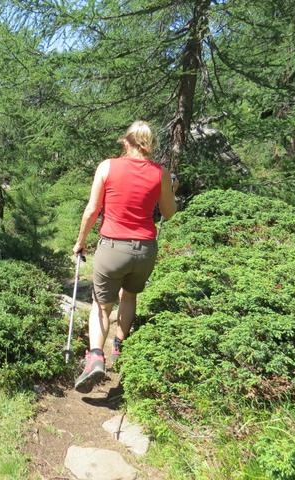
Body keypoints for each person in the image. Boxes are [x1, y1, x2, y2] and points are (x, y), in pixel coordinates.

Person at [72, 120, 178, 392]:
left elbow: (92, 209)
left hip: (112, 246)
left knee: (101, 305)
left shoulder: (107, 166)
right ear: (148, 144)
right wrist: (168, 190)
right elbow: (169, 213)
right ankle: (119, 346)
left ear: (126, 141)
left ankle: (96, 356)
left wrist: (80, 242)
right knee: (129, 296)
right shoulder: (160, 173)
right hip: (144, 249)